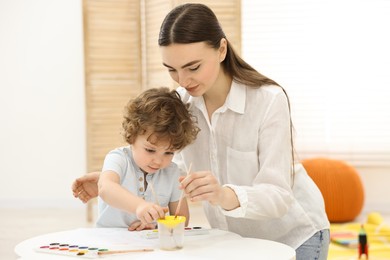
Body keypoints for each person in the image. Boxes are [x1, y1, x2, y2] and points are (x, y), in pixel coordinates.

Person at [72, 3, 330, 259]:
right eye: (172, 69)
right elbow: (175, 171)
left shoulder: (268, 100)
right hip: (233, 240)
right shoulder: (182, 104)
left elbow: (278, 196)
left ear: (221, 49)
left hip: (293, 237)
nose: (183, 81)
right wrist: (125, 175)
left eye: (193, 67)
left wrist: (221, 194)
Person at [92, 87, 199, 231]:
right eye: (150, 150)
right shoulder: (118, 159)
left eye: (168, 153)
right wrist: (139, 206)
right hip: (110, 240)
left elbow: (182, 219)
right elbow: (106, 188)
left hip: (148, 242)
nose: (158, 161)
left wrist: (156, 225)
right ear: (132, 137)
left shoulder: (172, 172)